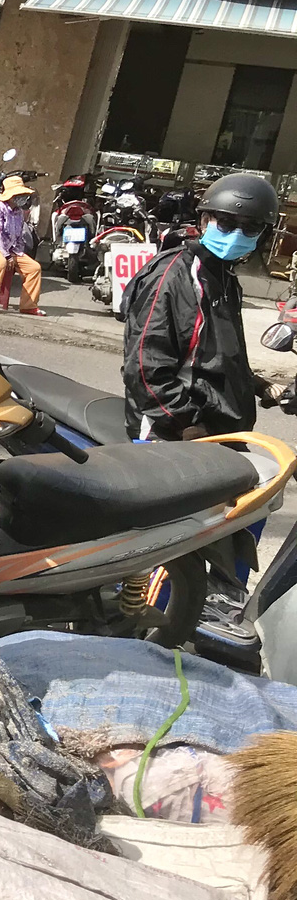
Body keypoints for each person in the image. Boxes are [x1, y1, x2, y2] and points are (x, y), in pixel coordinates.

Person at [123, 171, 284, 648]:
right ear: (204, 219)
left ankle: (202, 612)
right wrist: (187, 427)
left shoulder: (223, 277)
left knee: (237, 518)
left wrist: (258, 386)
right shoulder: (173, 275)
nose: (235, 235)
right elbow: (146, 369)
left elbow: (215, 355)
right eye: (226, 223)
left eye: (249, 227)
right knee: (176, 544)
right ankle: (150, 629)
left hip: (219, 430)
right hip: (180, 432)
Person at [0, 173, 44, 315]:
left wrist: (17, 252)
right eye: (19, 194)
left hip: (10, 249)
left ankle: (28, 306)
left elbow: (19, 236)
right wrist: (6, 255)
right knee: (0, 263)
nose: (22, 197)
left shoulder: (18, 212)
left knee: (34, 268)